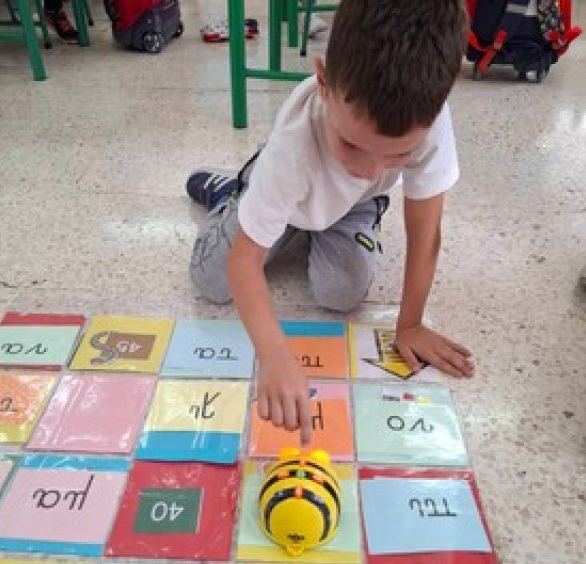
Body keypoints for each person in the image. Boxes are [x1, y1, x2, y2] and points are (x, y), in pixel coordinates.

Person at [186, 0, 474, 445]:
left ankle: (307, 215)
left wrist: (410, 324)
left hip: (354, 206)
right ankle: (236, 193)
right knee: (212, 281)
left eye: (398, 155)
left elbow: (425, 232)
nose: (369, 169)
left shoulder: (428, 119)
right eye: (351, 144)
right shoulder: (294, 144)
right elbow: (245, 262)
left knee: (342, 294)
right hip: (288, 189)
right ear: (323, 81)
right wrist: (274, 353)